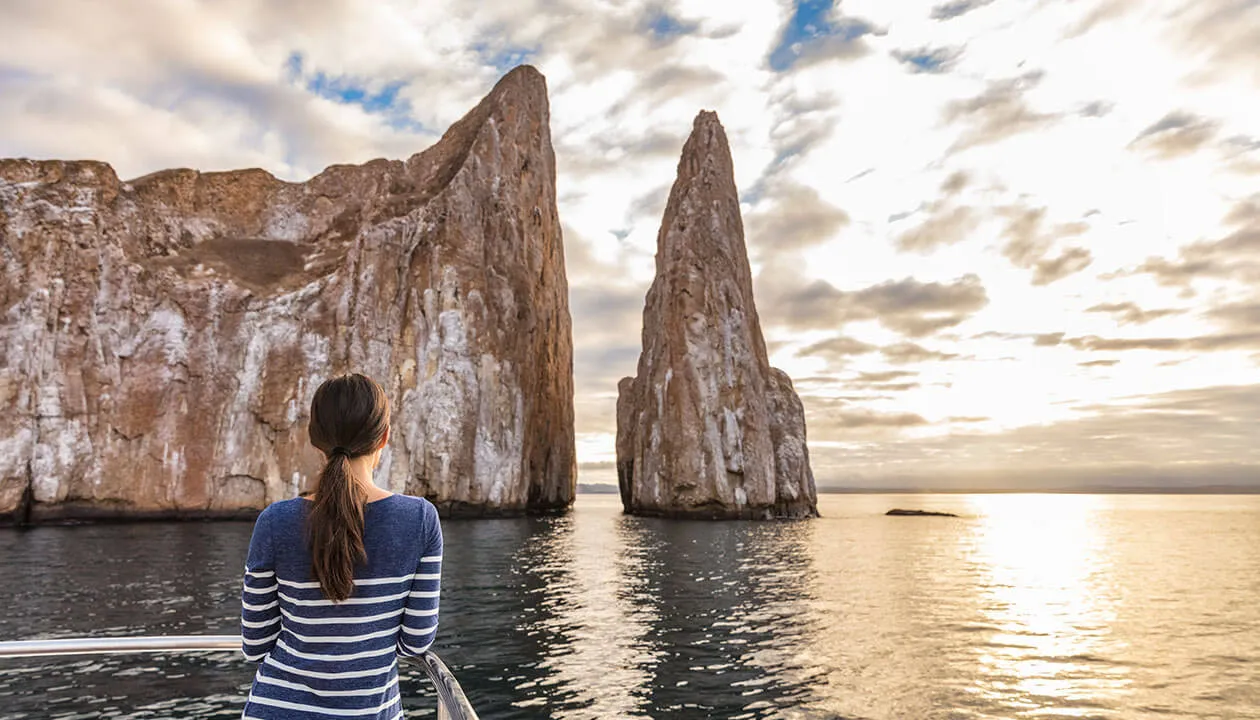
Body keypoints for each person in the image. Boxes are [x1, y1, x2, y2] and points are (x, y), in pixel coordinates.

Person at [239, 373, 443, 719]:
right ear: (385, 437)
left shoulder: (275, 521)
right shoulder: (420, 519)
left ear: (315, 438)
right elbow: (415, 642)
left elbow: (255, 644)